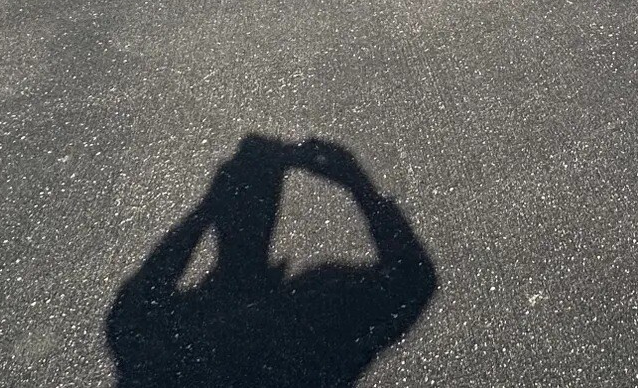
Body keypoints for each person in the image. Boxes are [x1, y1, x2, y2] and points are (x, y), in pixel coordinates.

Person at [106, 135, 436, 387]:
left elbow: (150, 284)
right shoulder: (301, 335)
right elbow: (414, 280)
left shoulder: (150, 345)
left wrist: (207, 208)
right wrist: (357, 184)